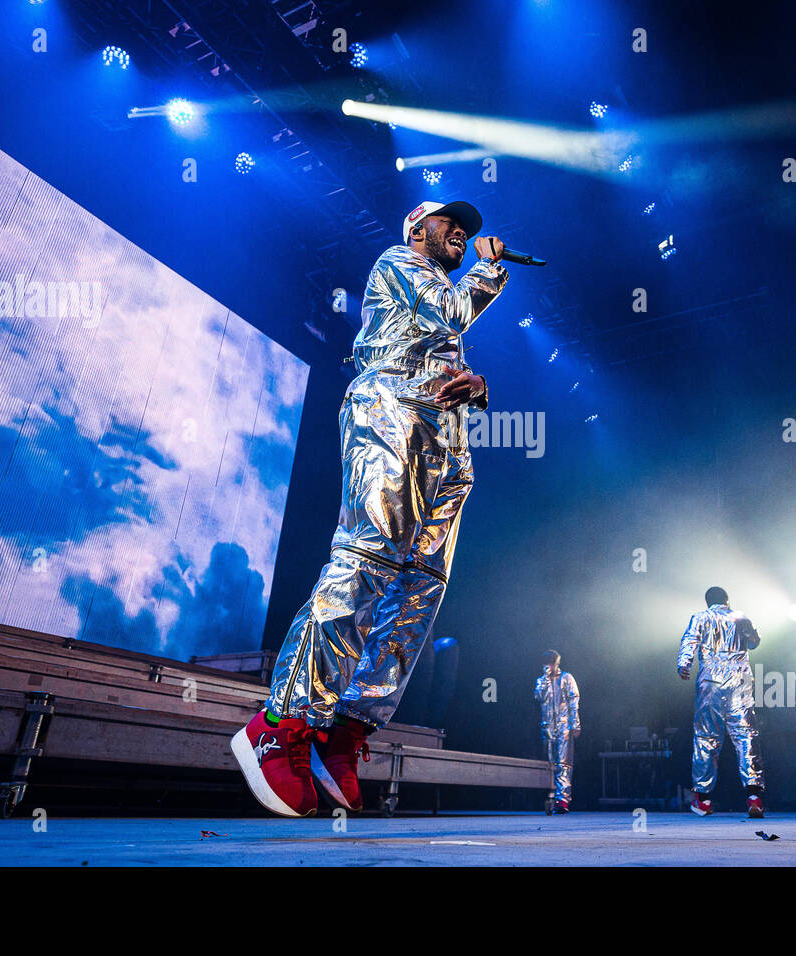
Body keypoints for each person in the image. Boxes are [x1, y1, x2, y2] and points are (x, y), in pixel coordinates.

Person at [231, 200, 508, 817]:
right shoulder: (401, 261)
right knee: (366, 560)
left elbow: (444, 342)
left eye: (467, 229)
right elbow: (453, 307)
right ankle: (283, 723)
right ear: (417, 229)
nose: (461, 232)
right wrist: (488, 272)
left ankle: (346, 730)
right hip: (390, 414)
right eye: (448, 223)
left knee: (420, 589)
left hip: (446, 442)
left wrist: (475, 386)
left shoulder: (436, 303)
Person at [677, 586, 766, 818]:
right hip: (740, 679)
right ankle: (754, 797)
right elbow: (755, 642)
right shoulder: (740, 617)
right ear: (727, 600)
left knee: (707, 737)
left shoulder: (700, 617)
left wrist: (684, 663)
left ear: (708, 602)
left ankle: (703, 800)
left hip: (711, 680)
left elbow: (690, 641)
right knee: (745, 736)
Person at [535, 650, 581, 813]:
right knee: (548, 764)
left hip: (563, 727)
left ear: (557, 663)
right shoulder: (541, 681)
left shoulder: (566, 678)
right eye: (547, 663)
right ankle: (550, 796)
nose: (550, 666)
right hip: (547, 727)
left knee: (563, 763)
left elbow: (573, 701)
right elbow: (539, 697)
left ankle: (563, 800)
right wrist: (546, 680)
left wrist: (575, 724)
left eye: (553, 663)